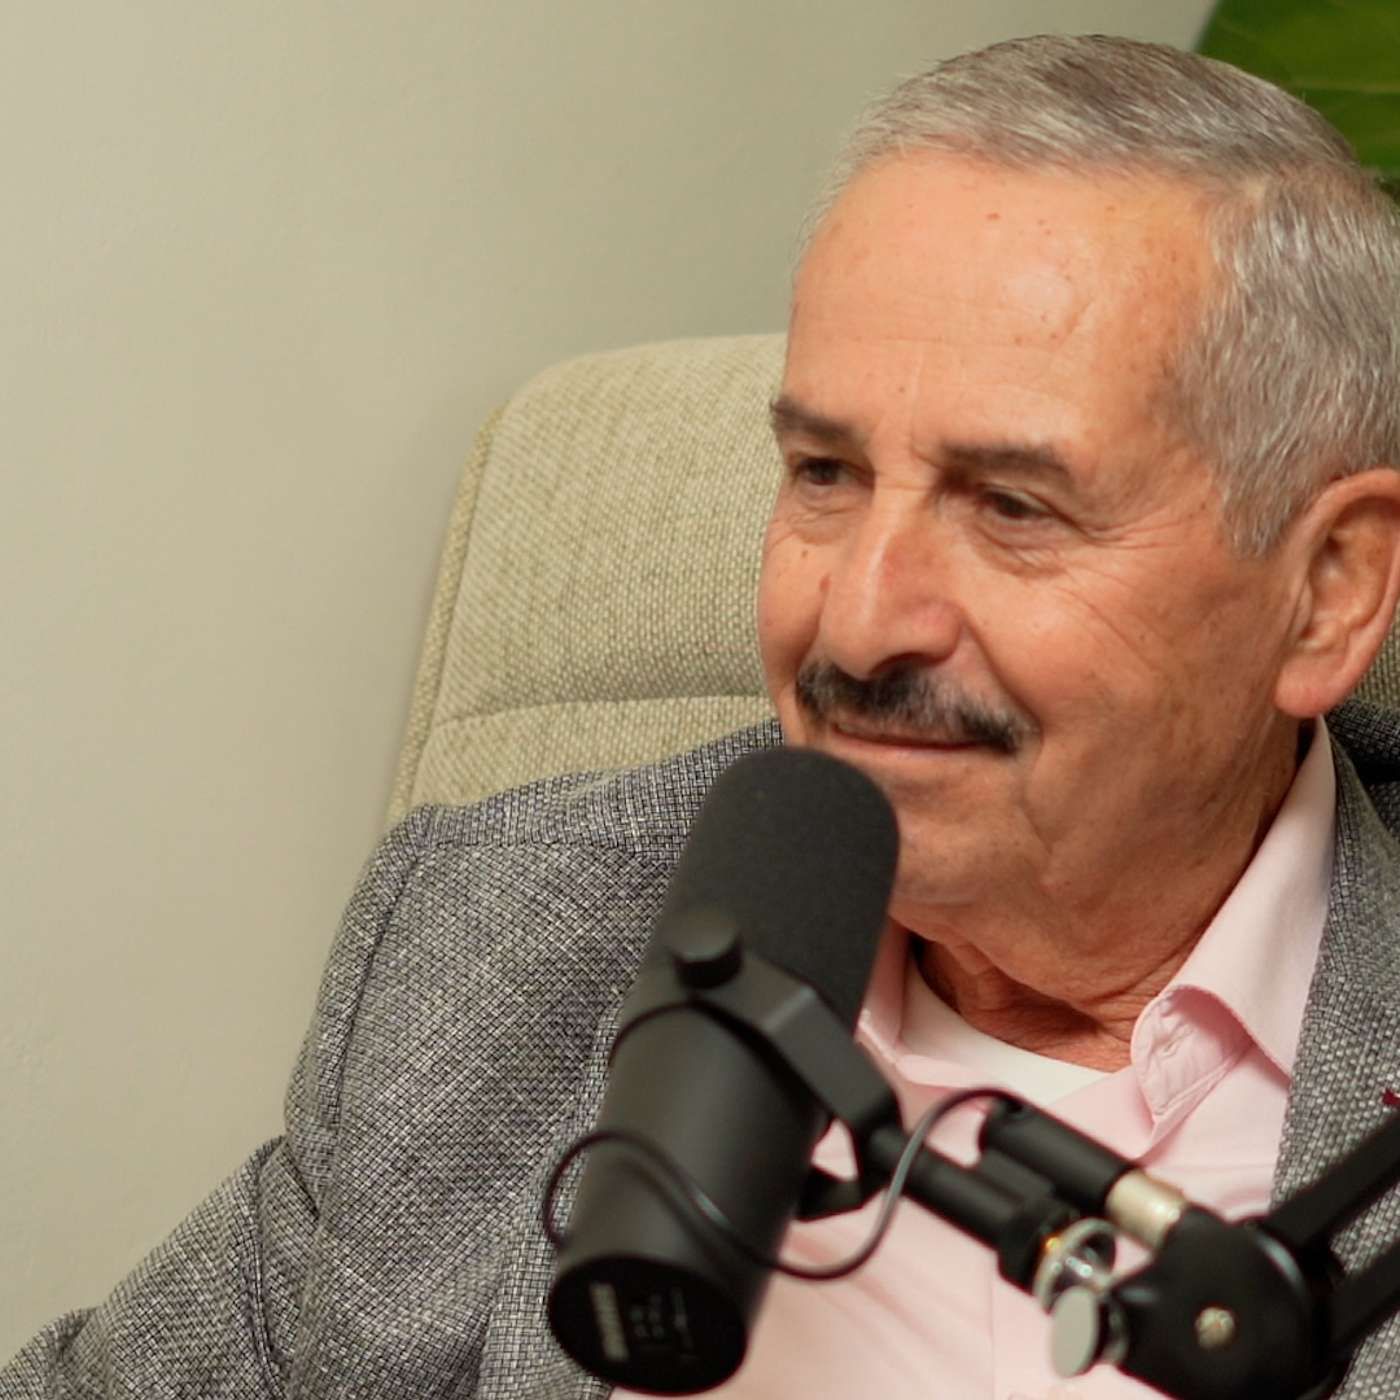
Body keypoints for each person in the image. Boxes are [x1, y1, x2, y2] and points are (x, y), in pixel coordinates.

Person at [6, 31, 1400, 1400]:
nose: (857, 622)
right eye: (824, 473)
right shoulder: (506, 937)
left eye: (1012, 507)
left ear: (1327, 593)